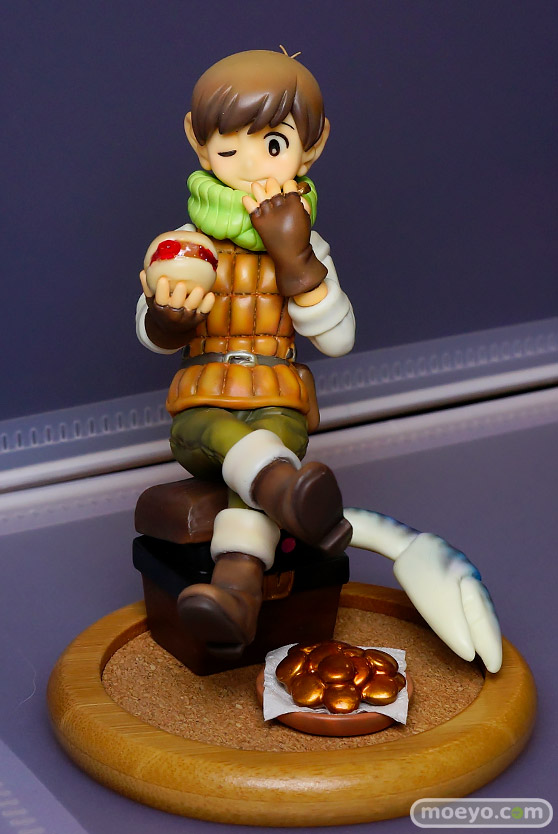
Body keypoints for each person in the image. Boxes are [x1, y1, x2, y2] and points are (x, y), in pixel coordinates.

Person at [136, 49, 356, 653]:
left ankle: (236, 593)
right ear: (198, 144)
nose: (252, 164)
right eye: (229, 148)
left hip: (277, 403)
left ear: (312, 146)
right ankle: (286, 494)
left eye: (274, 144)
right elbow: (151, 336)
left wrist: (295, 257)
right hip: (203, 410)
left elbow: (338, 339)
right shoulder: (185, 244)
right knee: (236, 446)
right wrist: (169, 316)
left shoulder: (309, 245)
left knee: (269, 447)